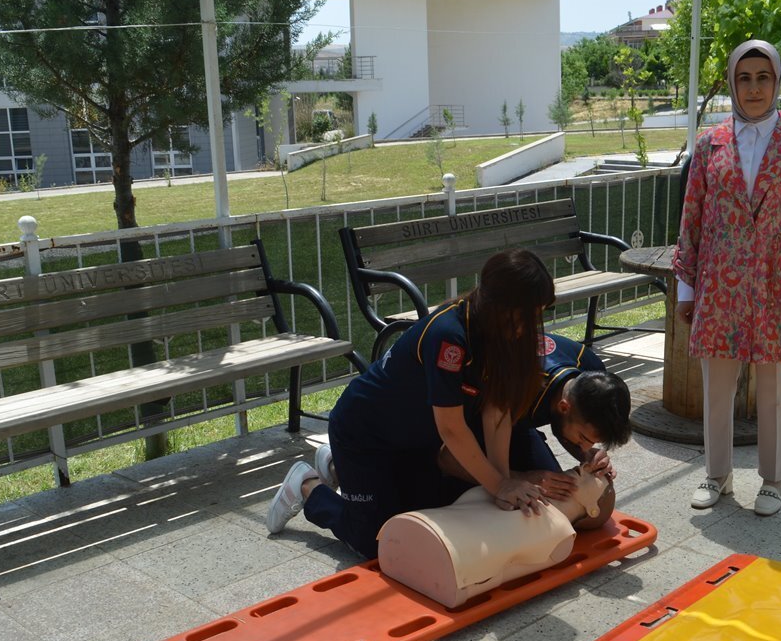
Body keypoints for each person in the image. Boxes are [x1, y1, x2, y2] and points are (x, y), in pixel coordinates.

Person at [266, 249, 556, 558]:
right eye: (525, 316)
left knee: (428, 515)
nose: (528, 326)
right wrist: (499, 486)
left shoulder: (501, 335)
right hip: (364, 435)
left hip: (414, 441)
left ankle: (337, 466)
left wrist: (502, 483)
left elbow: (496, 412)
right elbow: (451, 429)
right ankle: (307, 486)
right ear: (500, 305)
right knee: (377, 543)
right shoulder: (449, 337)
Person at [672, 39, 781, 517]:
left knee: (776, 386)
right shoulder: (710, 144)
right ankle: (716, 474)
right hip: (720, 284)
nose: (755, 87)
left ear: (777, 82)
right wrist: (687, 289)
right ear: (731, 83)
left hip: (777, 285)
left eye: (764, 77)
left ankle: (773, 479)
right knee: (717, 386)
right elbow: (692, 219)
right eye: (745, 77)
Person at [445, 333, 630, 521]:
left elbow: (566, 422)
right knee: (497, 505)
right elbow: (449, 458)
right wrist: (516, 479)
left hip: (516, 419)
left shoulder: (593, 374)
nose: (585, 447)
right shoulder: (513, 384)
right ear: (563, 407)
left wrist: (587, 454)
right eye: (582, 438)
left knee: (553, 498)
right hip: (459, 420)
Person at [377, 466, 614, 608]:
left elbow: (509, 570)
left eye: (596, 476)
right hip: (435, 538)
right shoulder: (523, 491)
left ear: (593, 509)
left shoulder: (562, 533)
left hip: (450, 556)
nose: (584, 466)